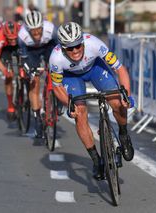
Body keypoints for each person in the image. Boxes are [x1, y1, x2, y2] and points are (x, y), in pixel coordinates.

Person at [49, 22, 134, 180]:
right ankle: (96, 160)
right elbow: (57, 87)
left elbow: (120, 69)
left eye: (77, 45)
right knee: (80, 114)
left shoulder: (94, 44)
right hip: (71, 76)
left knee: (117, 102)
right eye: (69, 48)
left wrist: (126, 95)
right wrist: (69, 103)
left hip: (95, 68)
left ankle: (123, 134)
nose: (75, 51)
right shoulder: (55, 57)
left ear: (82, 41)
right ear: (62, 47)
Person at [18, 11, 58, 138]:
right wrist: (30, 70)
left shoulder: (51, 30)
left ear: (42, 26)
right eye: (33, 31)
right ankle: (37, 119)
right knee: (33, 81)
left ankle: (58, 99)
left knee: (56, 70)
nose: (36, 34)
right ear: (28, 29)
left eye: (38, 30)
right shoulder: (22, 36)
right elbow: (24, 59)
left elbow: (60, 50)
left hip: (48, 47)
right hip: (30, 52)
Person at [0, 21, 21, 121]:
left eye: (14, 38)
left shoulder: (22, 32)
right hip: (5, 48)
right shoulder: (0, 36)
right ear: (5, 35)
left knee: (25, 66)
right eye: (10, 39)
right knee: (8, 76)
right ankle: (11, 106)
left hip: (20, 45)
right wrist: (5, 70)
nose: (13, 41)